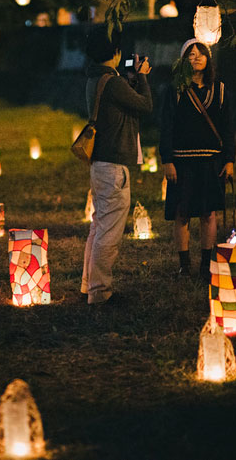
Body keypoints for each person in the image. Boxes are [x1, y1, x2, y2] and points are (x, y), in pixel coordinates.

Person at [82, 28, 153, 305]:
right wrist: (143, 77)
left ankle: (89, 285)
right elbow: (146, 106)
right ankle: (100, 292)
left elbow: (125, 105)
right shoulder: (111, 81)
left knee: (98, 227)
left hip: (100, 163)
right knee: (109, 231)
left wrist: (131, 79)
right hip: (113, 167)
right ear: (115, 53)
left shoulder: (95, 78)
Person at [159, 39, 236, 280]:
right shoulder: (175, 89)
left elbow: (227, 126)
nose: (196, 58)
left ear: (208, 58)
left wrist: (230, 159)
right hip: (182, 162)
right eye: (190, 55)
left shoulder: (220, 89)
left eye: (200, 54)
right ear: (183, 60)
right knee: (182, 213)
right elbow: (167, 126)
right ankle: (184, 264)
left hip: (211, 161)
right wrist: (167, 159)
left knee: (208, 213)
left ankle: (206, 263)